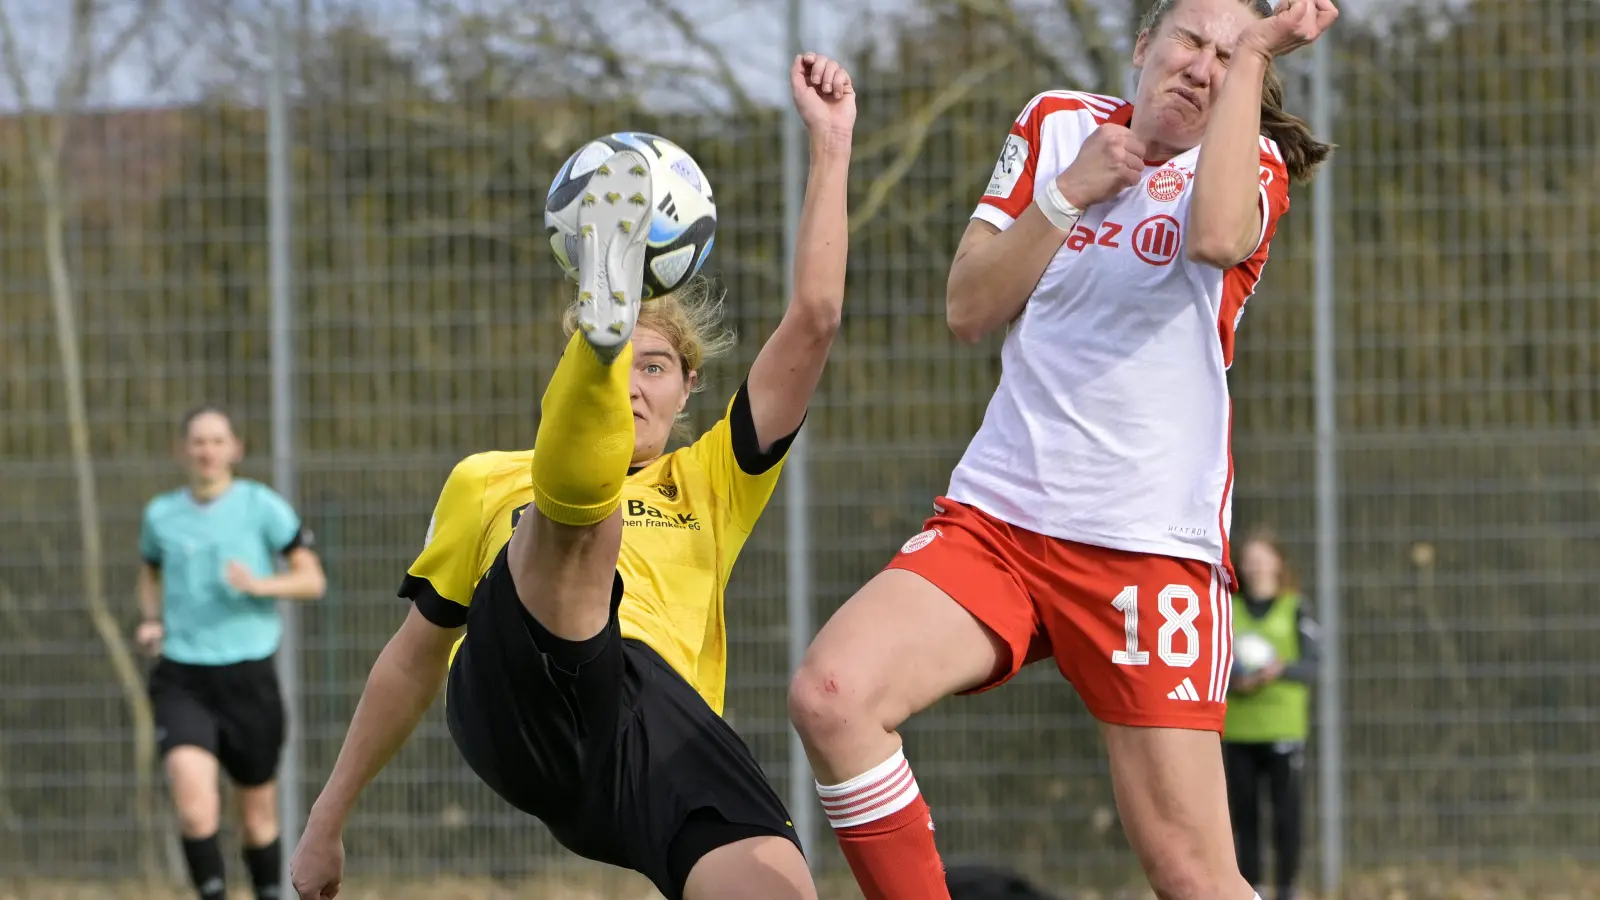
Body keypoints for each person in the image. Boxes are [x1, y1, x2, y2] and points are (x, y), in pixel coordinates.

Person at [787, 2, 1336, 899]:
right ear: (1142, 49)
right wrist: (1068, 190)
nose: (1205, 66)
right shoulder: (1056, 125)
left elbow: (1212, 237)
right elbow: (969, 306)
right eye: (1191, 42)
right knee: (833, 695)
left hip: (1147, 551)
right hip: (999, 522)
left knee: (1194, 874)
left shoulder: (1251, 163)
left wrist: (1254, 62)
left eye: (1234, 59)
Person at [288, 52, 855, 900]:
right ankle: (596, 359)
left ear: (690, 387)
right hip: (517, 701)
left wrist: (832, 148)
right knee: (583, 524)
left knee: (779, 888)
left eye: (653, 365)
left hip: (651, 739)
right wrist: (326, 819)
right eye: (622, 360)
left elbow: (814, 321)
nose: (639, 385)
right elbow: (411, 660)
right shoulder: (487, 481)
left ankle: (607, 329)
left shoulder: (713, 477)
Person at [137, 405, 327, 900]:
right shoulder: (160, 515)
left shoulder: (261, 506)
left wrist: (259, 584)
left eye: (217, 441)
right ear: (182, 450)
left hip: (248, 677)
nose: (207, 451)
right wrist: (153, 619)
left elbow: (312, 580)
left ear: (236, 449)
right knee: (195, 806)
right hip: (182, 677)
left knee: (257, 817)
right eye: (198, 441)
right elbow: (149, 573)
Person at [1223, 531, 1320, 900]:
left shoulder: (1294, 608)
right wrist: (1237, 681)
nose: (1256, 566)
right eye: (1249, 559)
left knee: (1286, 818)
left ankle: (1287, 890)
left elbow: (1312, 665)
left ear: (1278, 563)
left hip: (1283, 730)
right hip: (1240, 731)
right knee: (1244, 819)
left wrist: (1278, 671)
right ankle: (1251, 890)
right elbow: (1212, 666)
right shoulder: (1228, 609)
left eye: (1263, 558)